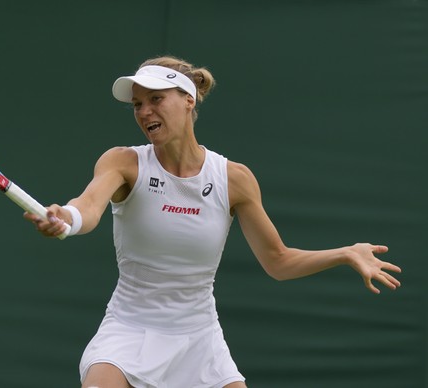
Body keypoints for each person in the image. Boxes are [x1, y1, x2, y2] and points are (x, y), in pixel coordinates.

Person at [24, 56, 402, 388]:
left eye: (156, 99)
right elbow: (87, 206)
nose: (144, 112)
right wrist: (67, 219)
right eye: (137, 104)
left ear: (189, 101)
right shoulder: (125, 162)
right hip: (128, 332)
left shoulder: (233, 179)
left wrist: (345, 253)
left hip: (199, 339)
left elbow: (279, 261)